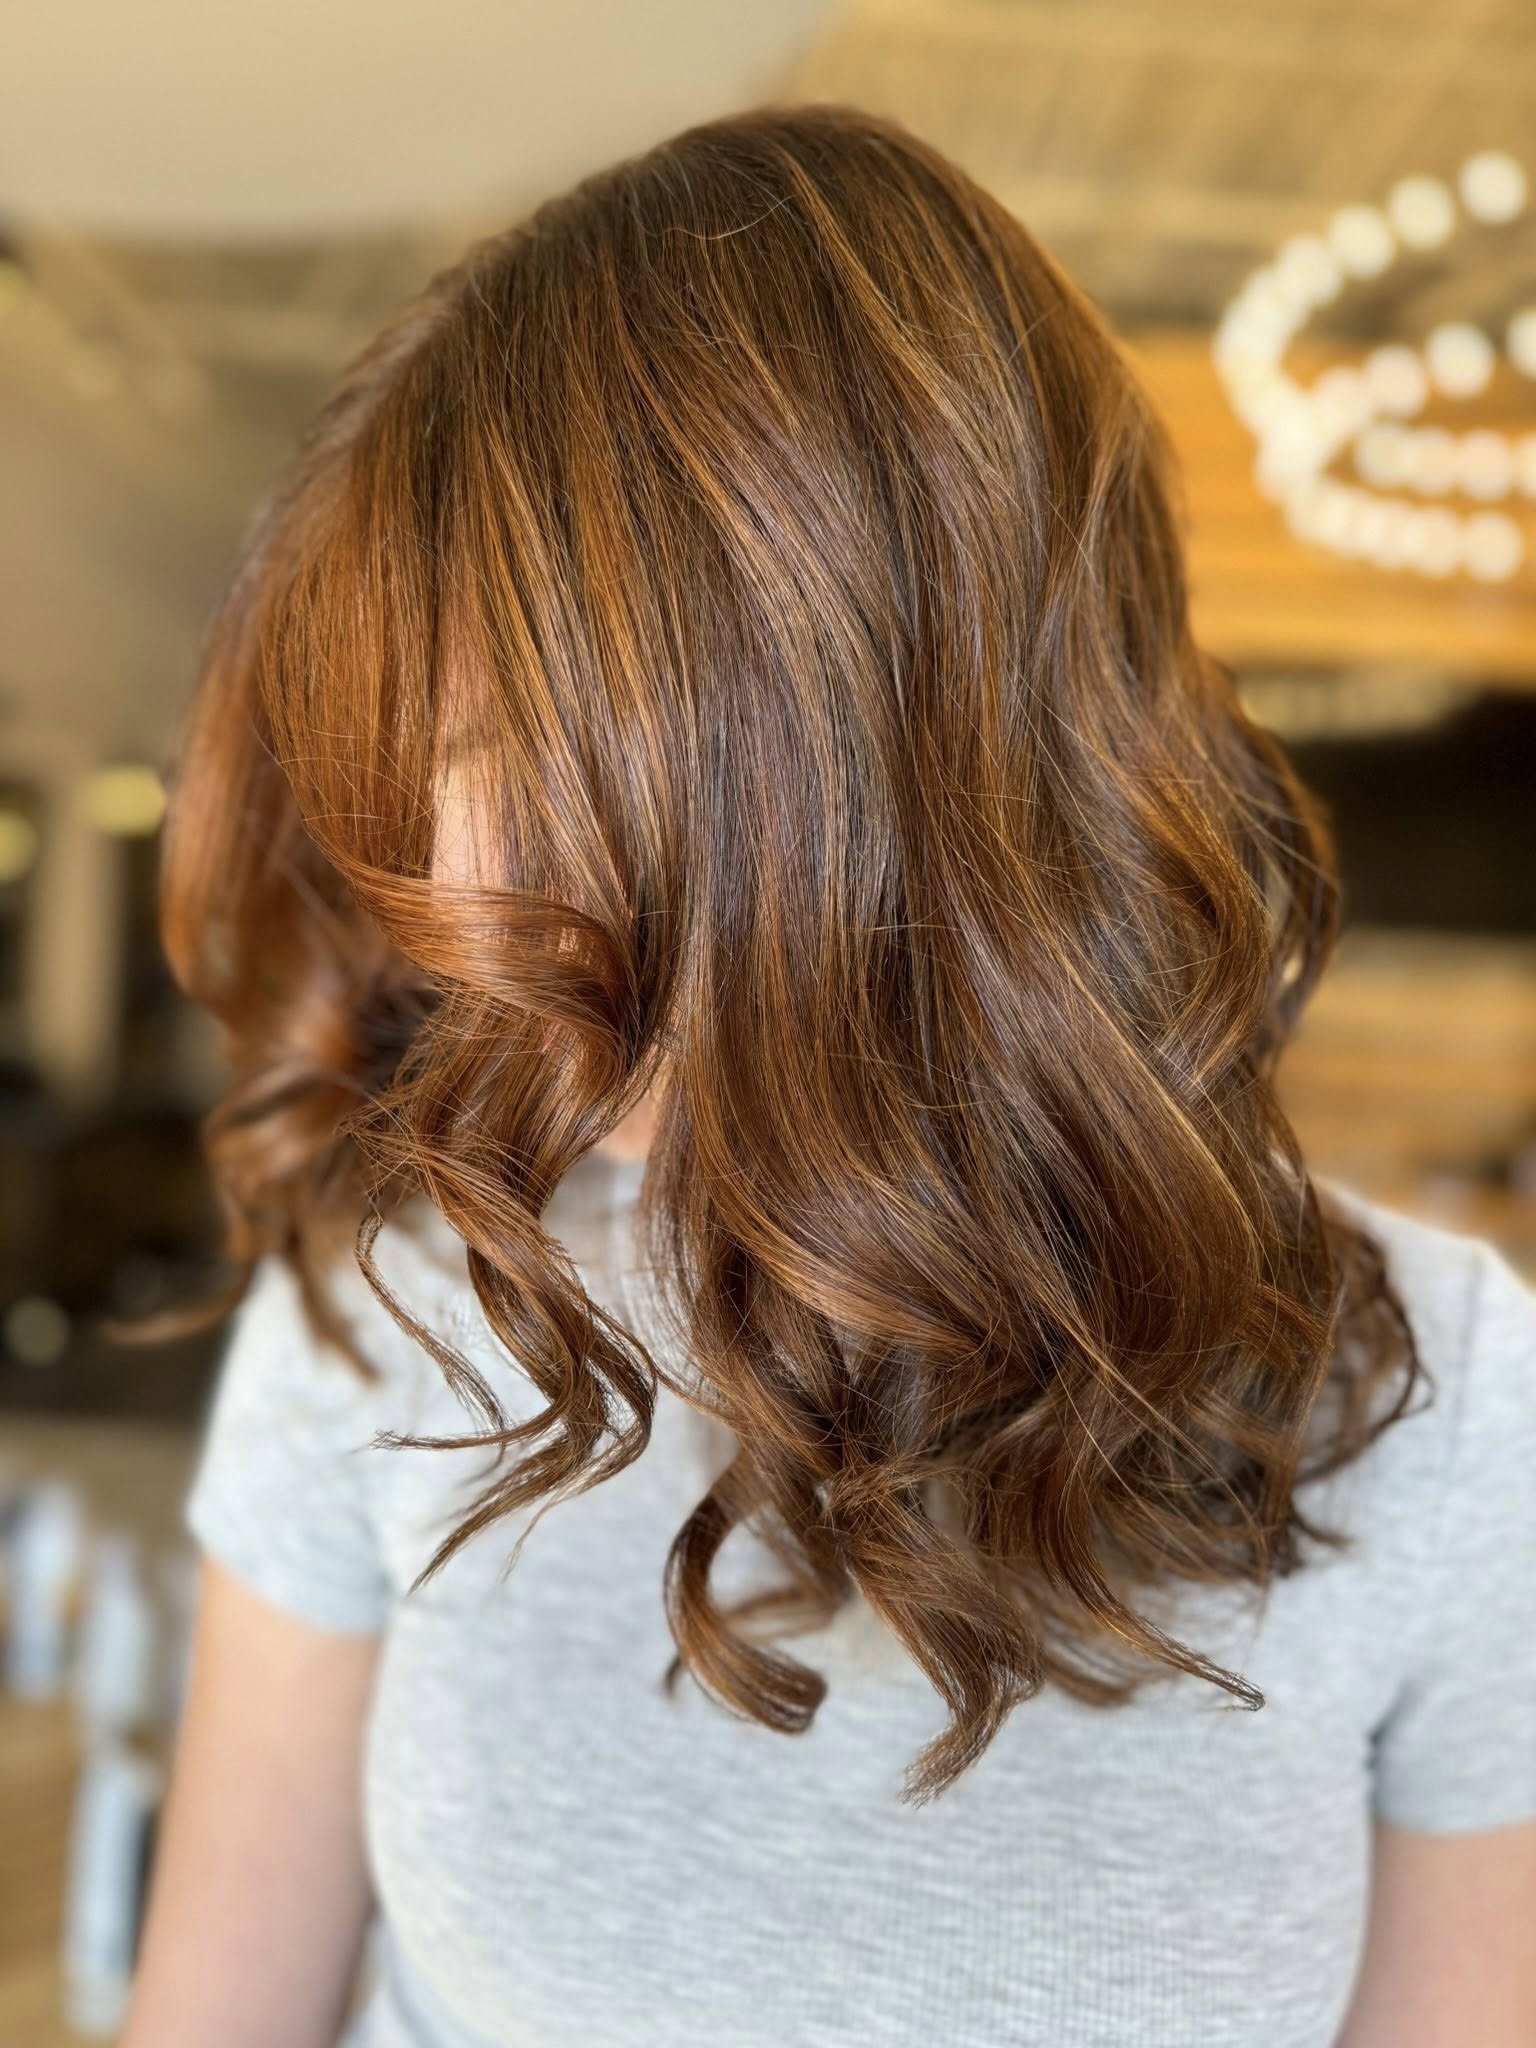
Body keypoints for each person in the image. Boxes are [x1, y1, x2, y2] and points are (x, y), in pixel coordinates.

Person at [121, 104, 1535, 2048]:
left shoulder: (1438, 1405)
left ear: (878, 754)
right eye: (428, 758)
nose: (449, 886)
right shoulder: (405, 1306)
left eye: (516, 741)